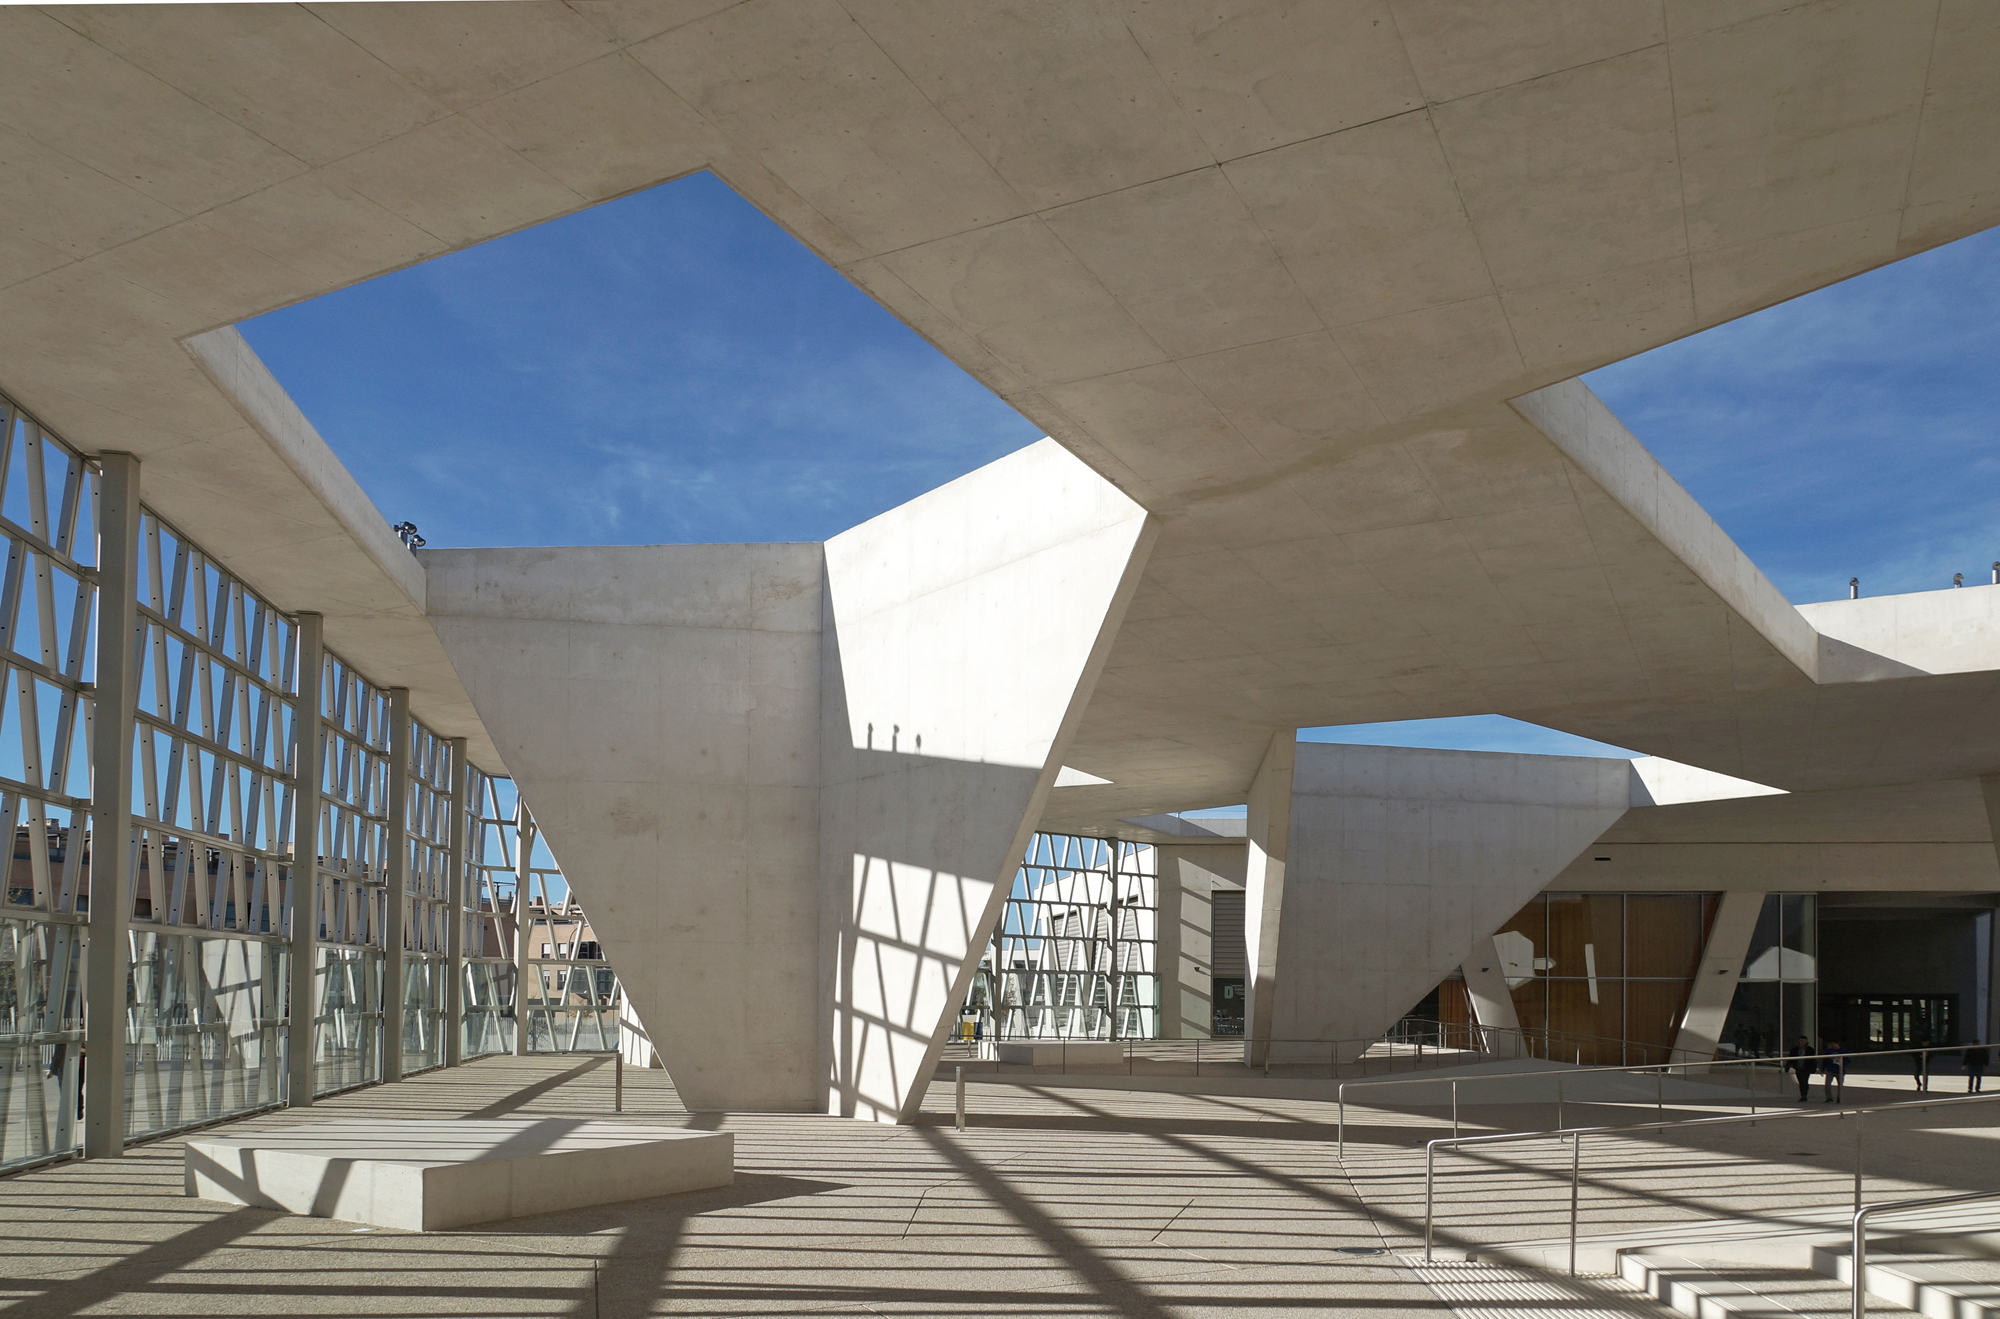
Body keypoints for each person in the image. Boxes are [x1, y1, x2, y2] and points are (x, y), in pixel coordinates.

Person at [1787, 1035, 1815, 1102]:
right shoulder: (1795, 1049)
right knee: (1800, 1081)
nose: (1802, 1042)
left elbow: (1813, 1060)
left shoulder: (1810, 1050)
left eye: (1804, 1041)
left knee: (1804, 1081)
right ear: (1799, 1041)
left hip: (1806, 1068)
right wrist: (1787, 1067)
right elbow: (1790, 1058)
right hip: (1798, 1067)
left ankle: (1804, 1095)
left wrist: (1813, 1068)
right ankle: (1803, 1094)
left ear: (1806, 1042)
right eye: (1801, 1041)